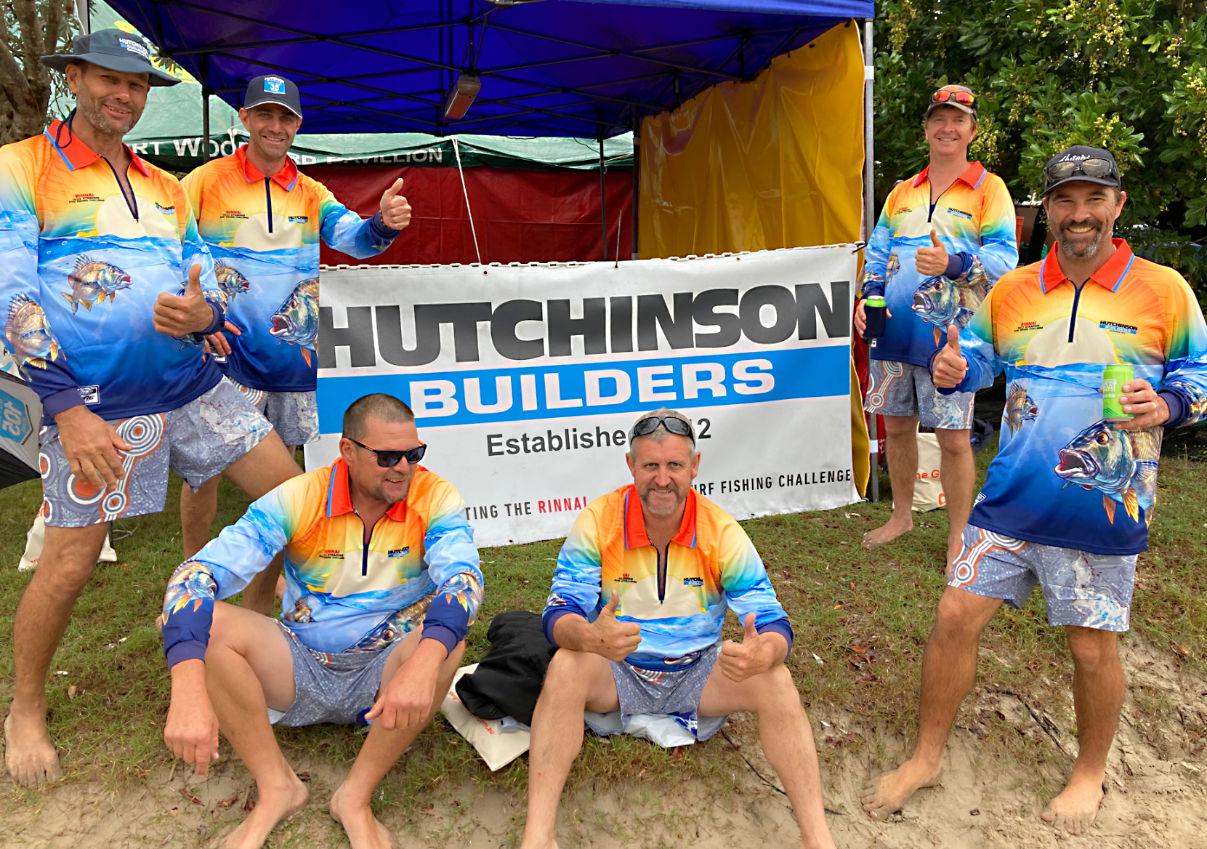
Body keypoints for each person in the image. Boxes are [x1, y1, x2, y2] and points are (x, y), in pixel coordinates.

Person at [861, 145, 1207, 834]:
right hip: (1009, 499)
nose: (1079, 214)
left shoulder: (1163, 288)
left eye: (1093, 198)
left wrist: (1169, 404)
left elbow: (1199, 375)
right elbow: (977, 359)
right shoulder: (1015, 288)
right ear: (1046, 209)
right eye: (1065, 200)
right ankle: (926, 756)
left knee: (1090, 646)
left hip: (1100, 504)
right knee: (954, 615)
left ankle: (1089, 773)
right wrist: (957, 367)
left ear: (1117, 205)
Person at [0, 29, 300, 787]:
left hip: (193, 386)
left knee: (296, 504)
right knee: (69, 565)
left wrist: (204, 316)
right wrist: (66, 408)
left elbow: (208, 283)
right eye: (110, 78)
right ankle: (25, 708)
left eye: (137, 85)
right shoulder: (21, 166)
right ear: (73, 78)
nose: (125, 95)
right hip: (93, 405)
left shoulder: (166, 185)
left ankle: (246, 629)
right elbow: (10, 294)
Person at [161, 393, 483, 849]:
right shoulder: (301, 496)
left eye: (413, 454)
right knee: (196, 622)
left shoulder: (434, 495)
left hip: (386, 674)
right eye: (387, 457)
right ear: (347, 450)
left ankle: (355, 798)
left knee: (446, 645)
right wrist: (188, 688)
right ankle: (278, 786)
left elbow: (464, 580)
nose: (403, 469)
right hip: (299, 662)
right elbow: (194, 575)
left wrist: (425, 662)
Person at [520, 409, 835, 849]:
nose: (662, 479)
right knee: (566, 666)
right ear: (631, 466)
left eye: (674, 465)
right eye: (650, 465)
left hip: (697, 671)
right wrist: (589, 636)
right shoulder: (598, 519)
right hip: (618, 665)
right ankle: (538, 837)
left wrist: (764, 652)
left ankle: (818, 839)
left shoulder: (720, 529)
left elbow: (771, 618)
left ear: (695, 466)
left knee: (776, 680)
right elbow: (560, 610)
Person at [179, 73, 412, 614]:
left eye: (285, 117)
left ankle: (266, 593)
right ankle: (192, 571)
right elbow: (171, 245)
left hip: (291, 364)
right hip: (222, 360)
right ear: (245, 118)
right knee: (203, 471)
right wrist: (193, 315)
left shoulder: (311, 192)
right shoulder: (204, 181)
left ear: (298, 125)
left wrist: (382, 223)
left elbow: (353, 239)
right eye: (264, 114)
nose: (275, 125)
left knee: (282, 488)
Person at [856, 84, 1018, 564]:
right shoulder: (901, 192)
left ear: (972, 130)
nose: (948, 128)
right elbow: (878, 253)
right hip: (892, 333)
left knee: (953, 438)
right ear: (926, 129)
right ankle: (901, 515)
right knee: (897, 427)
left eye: (958, 120)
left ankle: (959, 538)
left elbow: (1005, 260)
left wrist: (953, 263)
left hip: (953, 338)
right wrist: (868, 300)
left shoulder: (990, 189)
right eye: (939, 119)